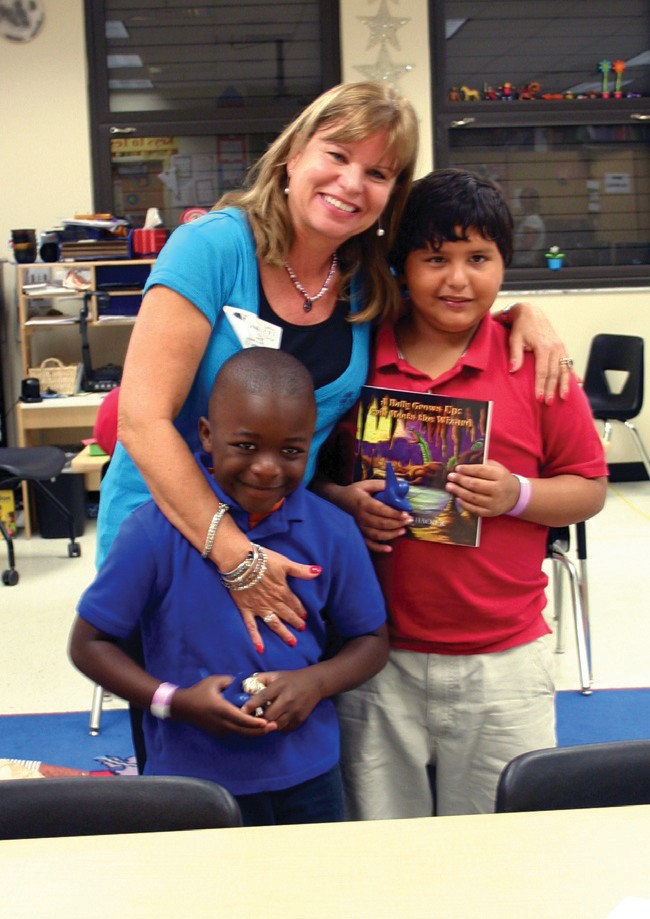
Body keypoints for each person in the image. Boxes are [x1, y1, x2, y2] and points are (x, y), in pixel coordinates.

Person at [97, 80, 572, 654]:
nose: (351, 183)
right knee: (190, 727)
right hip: (170, 536)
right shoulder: (212, 248)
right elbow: (142, 419)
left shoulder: (366, 282)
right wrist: (234, 557)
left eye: (378, 173)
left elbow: (450, 292)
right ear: (294, 154)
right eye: (338, 155)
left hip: (291, 543)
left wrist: (524, 313)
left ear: (391, 194)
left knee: (297, 730)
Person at [321, 168, 608, 818]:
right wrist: (345, 500)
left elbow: (588, 487)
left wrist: (518, 494)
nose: (457, 279)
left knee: (501, 851)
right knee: (383, 846)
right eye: (434, 259)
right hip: (375, 655)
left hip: (504, 660)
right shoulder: (359, 357)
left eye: (479, 258)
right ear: (401, 267)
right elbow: (309, 473)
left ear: (505, 261)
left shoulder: (536, 365)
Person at [69, 348, 388, 826]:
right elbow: (88, 645)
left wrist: (316, 682)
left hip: (308, 776)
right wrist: (173, 701)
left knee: (313, 895)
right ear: (206, 435)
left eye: (291, 451)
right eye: (245, 445)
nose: (266, 468)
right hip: (188, 780)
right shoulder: (154, 533)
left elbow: (372, 641)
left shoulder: (332, 531)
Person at [512, 186, 546, 267]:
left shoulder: (532, 220)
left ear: (533, 201)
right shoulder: (528, 219)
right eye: (521, 198)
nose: (522, 201)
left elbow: (527, 245)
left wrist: (511, 252)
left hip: (526, 263)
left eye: (525, 198)